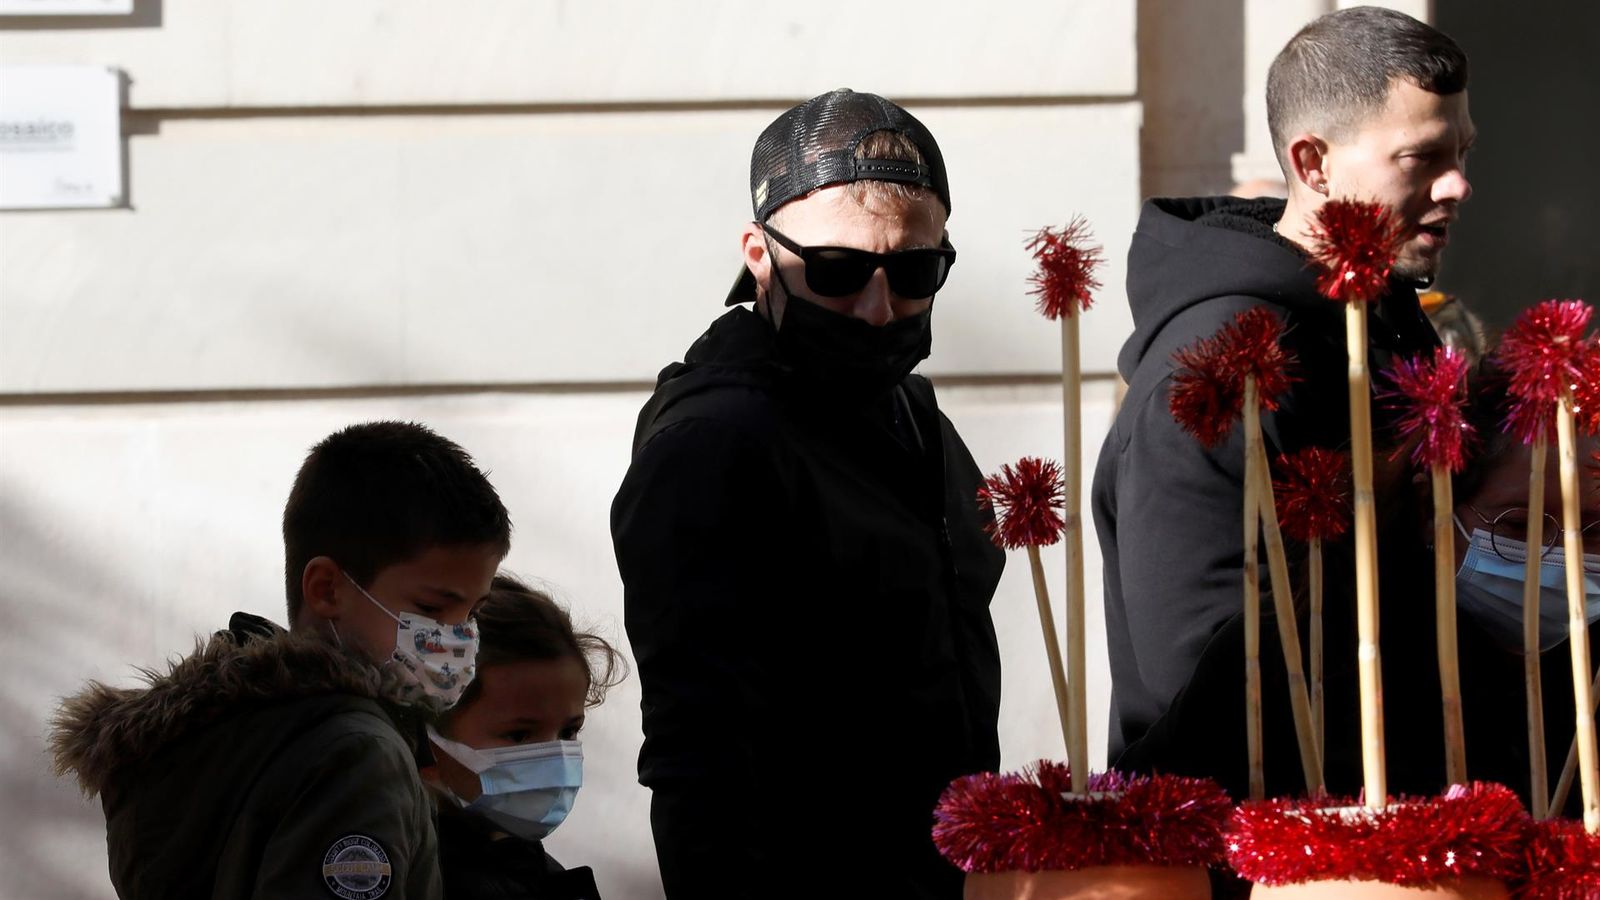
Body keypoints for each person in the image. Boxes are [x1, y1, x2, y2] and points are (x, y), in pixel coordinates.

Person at [610, 88, 1005, 897]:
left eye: (915, 271)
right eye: (836, 271)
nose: (877, 308)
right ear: (759, 254)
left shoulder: (911, 410)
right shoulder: (712, 444)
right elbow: (698, 757)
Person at [1093, 5, 1473, 759]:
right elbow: (1204, 688)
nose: (1458, 184)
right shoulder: (1225, 364)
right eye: (1421, 157)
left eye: (1462, 152)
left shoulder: (1386, 323)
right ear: (1312, 163)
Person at [50, 421, 511, 900]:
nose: (459, 637)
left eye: (473, 613)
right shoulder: (357, 754)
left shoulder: (233, 738)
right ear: (326, 589)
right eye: (432, 608)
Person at [1117, 363, 1600, 820]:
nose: (1560, 556)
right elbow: (1147, 822)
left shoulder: (1592, 671)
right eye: (1518, 524)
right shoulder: (1302, 655)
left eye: (1595, 530)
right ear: (1432, 507)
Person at [423, 573, 625, 900]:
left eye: (569, 731)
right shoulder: (416, 875)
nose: (556, 758)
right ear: (431, 736)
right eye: (519, 735)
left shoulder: (530, 865)